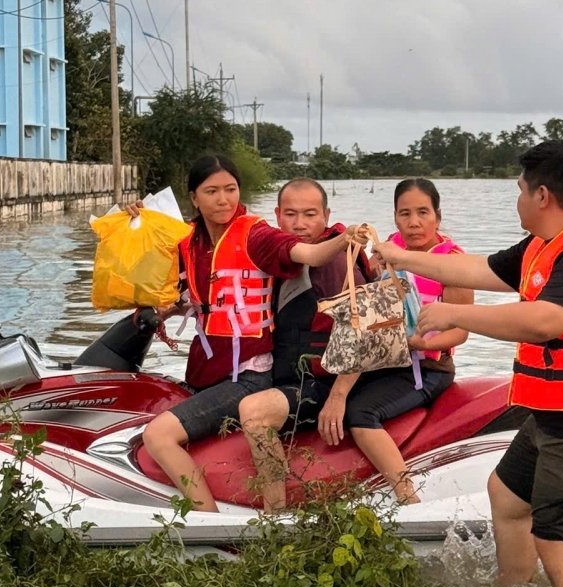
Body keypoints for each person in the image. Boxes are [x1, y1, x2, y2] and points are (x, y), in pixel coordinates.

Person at [381, 141, 563, 587]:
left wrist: (457, 315)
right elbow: (479, 268)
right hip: (553, 413)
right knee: (506, 497)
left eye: (521, 190)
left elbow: (545, 321)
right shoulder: (545, 245)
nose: (518, 199)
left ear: (542, 195)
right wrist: (401, 258)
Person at [140, 155, 358, 511]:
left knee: (158, 435)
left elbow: (310, 254)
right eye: (212, 191)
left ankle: (219, 523)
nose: (223, 199)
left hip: (248, 375)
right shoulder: (191, 242)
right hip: (208, 370)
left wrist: (345, 240)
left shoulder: (256, 235)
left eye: (231, 189)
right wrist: (138, 222)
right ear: (193, 198)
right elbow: (191, 294)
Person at [335, 177, 471, 504]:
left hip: (428, 368)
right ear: (395, 217)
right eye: (404, 214)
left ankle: (408, 499)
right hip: (386, 362)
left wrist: (420, 343)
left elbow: (461, 332)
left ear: (437, 216)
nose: (414, 223)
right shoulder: (387, 249)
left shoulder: (452, 262)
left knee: (359, 412)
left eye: (423, 212)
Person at [238, 177, 372, 510]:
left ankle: (275, 516)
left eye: (310, 215)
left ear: (326, 216)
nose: (300, 225)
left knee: (253, 413)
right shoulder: (275, 258)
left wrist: (338, 398)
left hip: (322, 384)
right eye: (291, 214)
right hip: (285, 377)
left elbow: (365, 333)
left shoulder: (336, 263)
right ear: (276, 216)